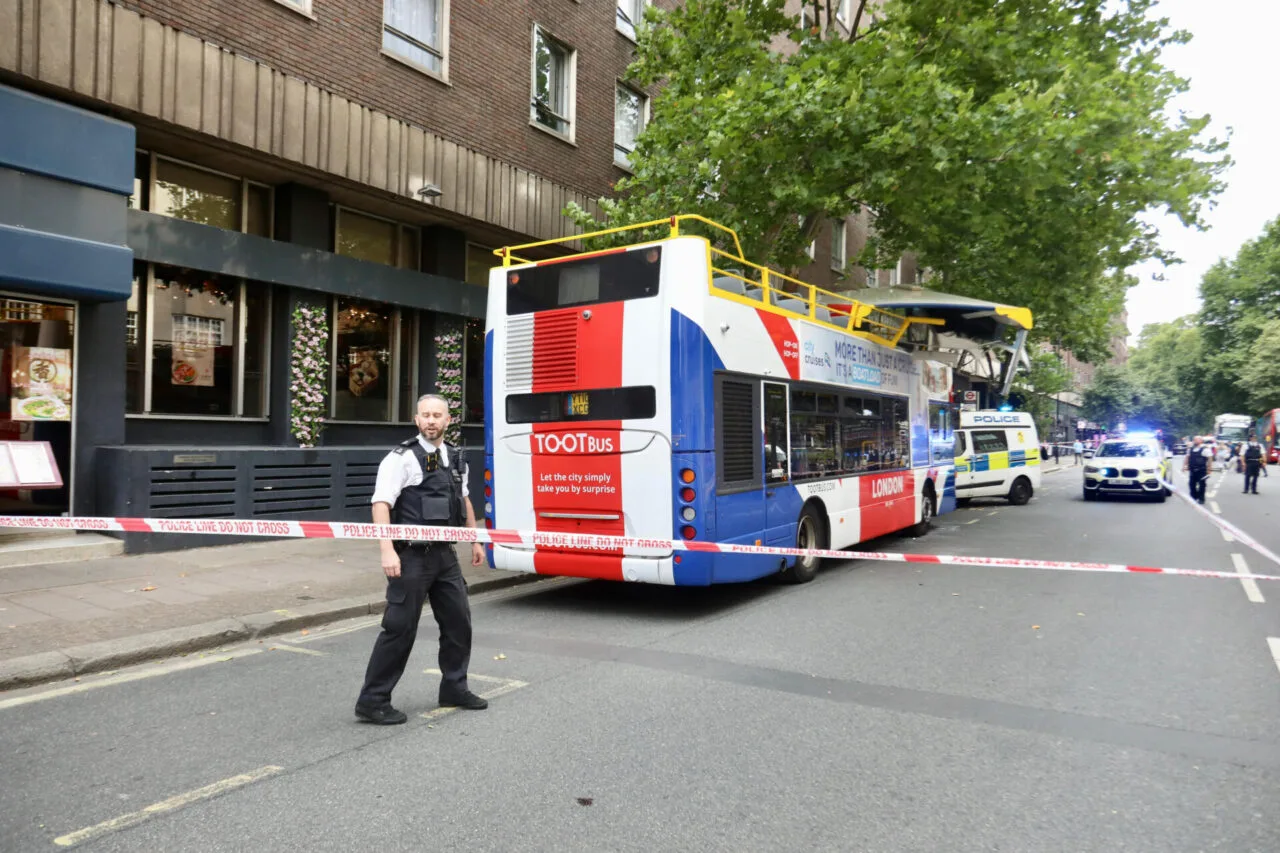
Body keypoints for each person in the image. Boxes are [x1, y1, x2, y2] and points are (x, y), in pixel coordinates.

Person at [355, 394, 488, 725]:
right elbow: (381, 504)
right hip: (411, 556)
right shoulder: (400, 459)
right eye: (425, 415)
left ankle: (454, 688)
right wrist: (386, 549)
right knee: (399, 629)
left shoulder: (455, 456)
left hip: (444, 556)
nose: (431, 420)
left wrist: (474, 539)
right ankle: (372, 700)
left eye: (437, 415)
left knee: (459, 622)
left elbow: (464, 498)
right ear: (417, 420)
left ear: (447, 420)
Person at [1183, 435, 1213, 505]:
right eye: (1194, 439)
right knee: (1191, 484)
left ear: (1201, 441)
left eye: (1196, 440)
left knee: (1202, 485)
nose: (1194, 441)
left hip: (1202, 470)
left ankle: (1201, 499)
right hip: (1192, 470)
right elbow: (1187, 457)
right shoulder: (1190, 449)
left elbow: (1210, 458)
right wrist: (1184, 466)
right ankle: (1194, 497)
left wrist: (1209, 469)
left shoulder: (1205, 449)